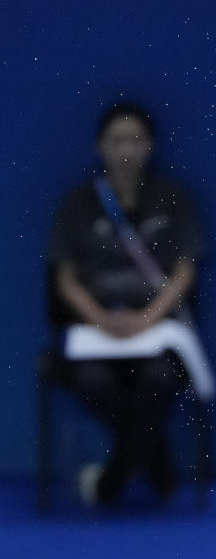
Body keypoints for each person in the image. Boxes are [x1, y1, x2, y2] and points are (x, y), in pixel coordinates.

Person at [47, 101, 205, 506]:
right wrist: (100, 319)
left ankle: (110, 482)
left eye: (135, 140)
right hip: (94, 331)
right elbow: (65, 279)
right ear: (101, 146)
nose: (126, 149)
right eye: (117, 140)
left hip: (156, 332)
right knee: (91, 383)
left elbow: (183, 273)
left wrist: (147, 319)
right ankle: (158, 465)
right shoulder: (77, 204)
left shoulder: (173, 199)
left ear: (150, 146)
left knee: (160, 380)